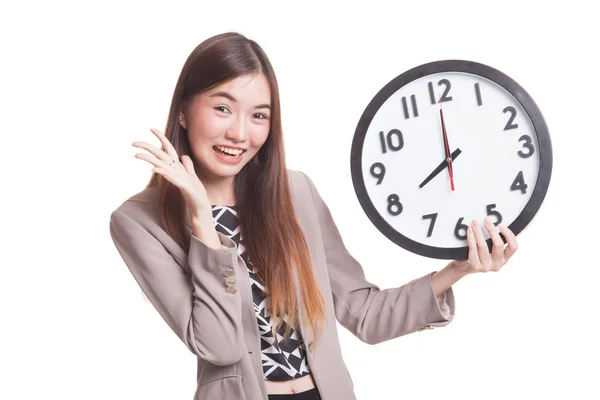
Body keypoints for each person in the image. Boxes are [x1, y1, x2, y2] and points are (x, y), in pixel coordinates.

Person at [108, 32, 518, 400]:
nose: (238, 133)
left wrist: (458, 268)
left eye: (258, 115)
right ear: (182, 111)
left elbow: (365, 314)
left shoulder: (295, 192)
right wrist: (201, 219)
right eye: (222, 108)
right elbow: (219, 346)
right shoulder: (139, 222)